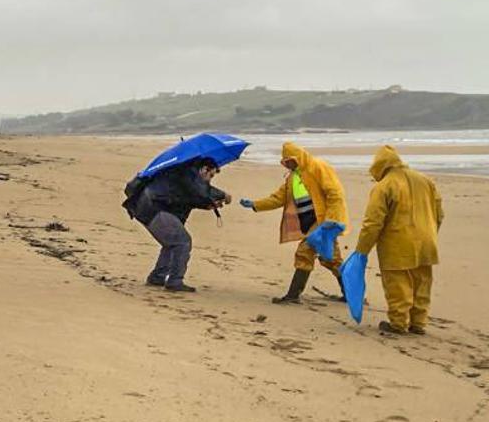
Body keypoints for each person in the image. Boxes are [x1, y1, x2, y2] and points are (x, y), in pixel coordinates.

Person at [240, 142, 348, 304]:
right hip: (311, 222)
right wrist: (255, 204)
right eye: (285, 161)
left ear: (297, 157)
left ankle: (293, 295)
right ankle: (351, 294)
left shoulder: (317, 167)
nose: (287, 164)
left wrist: (331, 219)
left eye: (289, 160)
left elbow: (335, 192)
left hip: (323, 221)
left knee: (304, 253)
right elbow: (279, 198)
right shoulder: (292, 177)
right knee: (331, 259)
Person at [354, 145, 444, 335]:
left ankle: (399, 323)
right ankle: (418, 323)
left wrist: (362, 250)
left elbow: (373, 223)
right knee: (422, 283)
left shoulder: (384, 186)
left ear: (380, 165)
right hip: (427, 241)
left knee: (398, 285)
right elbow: (439, 214)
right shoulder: (426, 181)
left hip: (397, 243)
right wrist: (431, 233)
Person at [123, 159, 230, 293]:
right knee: (183, 242)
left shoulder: (184, 173)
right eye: (211, 175)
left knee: (171, 243)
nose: (210, 179)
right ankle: (175, 281)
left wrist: (208, 204)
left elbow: (188, 197)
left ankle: (158, 277)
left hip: (146, 206)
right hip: (153, 207)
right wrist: (223, 195)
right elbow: (200, 191)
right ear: (204, 169)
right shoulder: (188, 173)